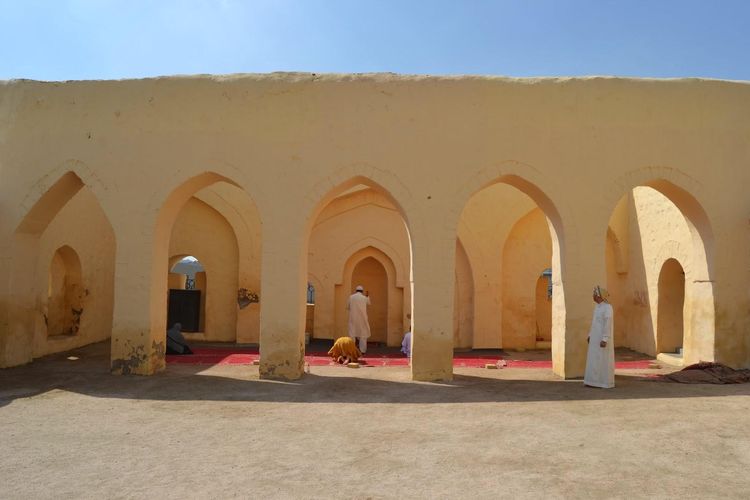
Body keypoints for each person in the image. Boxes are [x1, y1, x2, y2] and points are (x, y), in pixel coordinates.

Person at [584, 286, 615, 388]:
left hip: (602, 339)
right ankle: (592, 381)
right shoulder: (597, 307)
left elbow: (607, 323)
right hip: (594, 337)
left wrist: (605, 338)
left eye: (594, 294)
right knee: (593, 359)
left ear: (599, 296)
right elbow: (594, 323)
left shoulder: (607, 307)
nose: (593, 296)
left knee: (602, 359)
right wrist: (590, 335)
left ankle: (603, 382)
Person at [347, 285, 371, 353]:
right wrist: (367, 296)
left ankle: (351, 349)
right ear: (362, 291)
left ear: (356, 291)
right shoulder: (364, 298)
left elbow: (348, 307)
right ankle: (362, 351)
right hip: (362, 319)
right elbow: (369, 303)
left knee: (352, 334)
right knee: (363, 335)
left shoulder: (351, 297)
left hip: (353, 318)